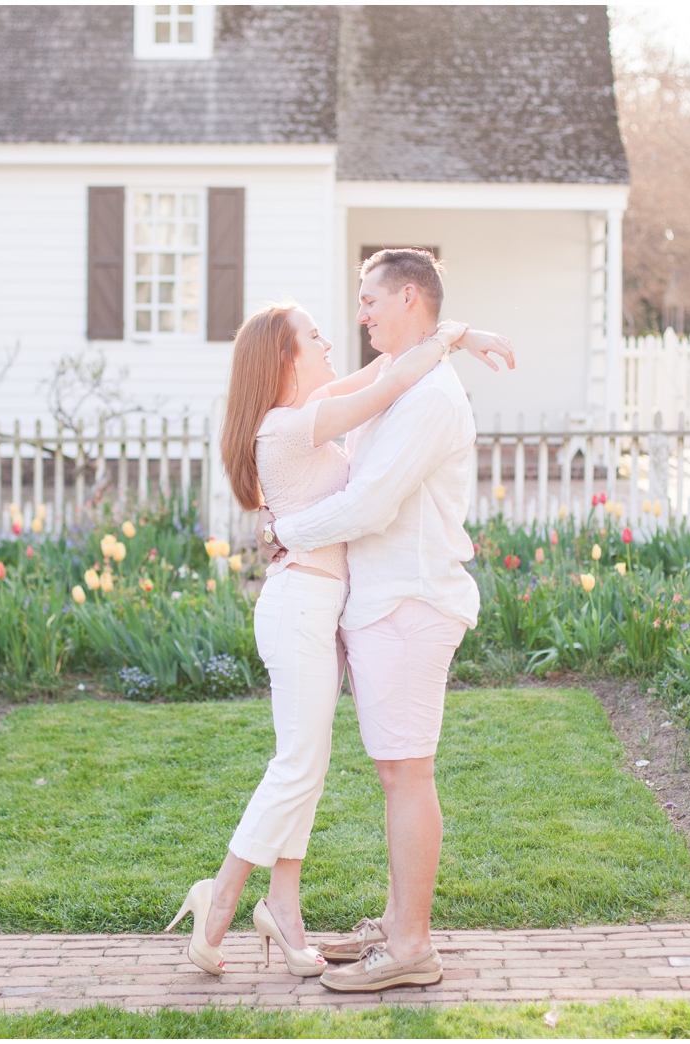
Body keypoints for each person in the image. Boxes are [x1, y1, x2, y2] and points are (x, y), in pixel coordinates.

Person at [164, 294, 512, 978]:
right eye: (314, 337)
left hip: (318, 604)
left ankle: (282, 908)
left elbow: (377, 373)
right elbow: (387, 382)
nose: (330, 342)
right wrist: (453, 340)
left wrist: (457, 333)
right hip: (300, 603)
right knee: (296, 765)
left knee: (309, 767)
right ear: (285, 359)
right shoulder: (293, 425)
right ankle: (220, 903)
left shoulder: (306, 412)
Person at [257, 248, 495, 992]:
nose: (359, 314)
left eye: (370, 300)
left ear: (409, 297)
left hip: (410, 602)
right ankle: (396, 928)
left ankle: (413, 947)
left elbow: (369, 505)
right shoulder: (407, 383)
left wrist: (283, 533)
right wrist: (458, 332)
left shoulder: (429, 399)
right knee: (397, 771)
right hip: (385, 602)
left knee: (407, 773)